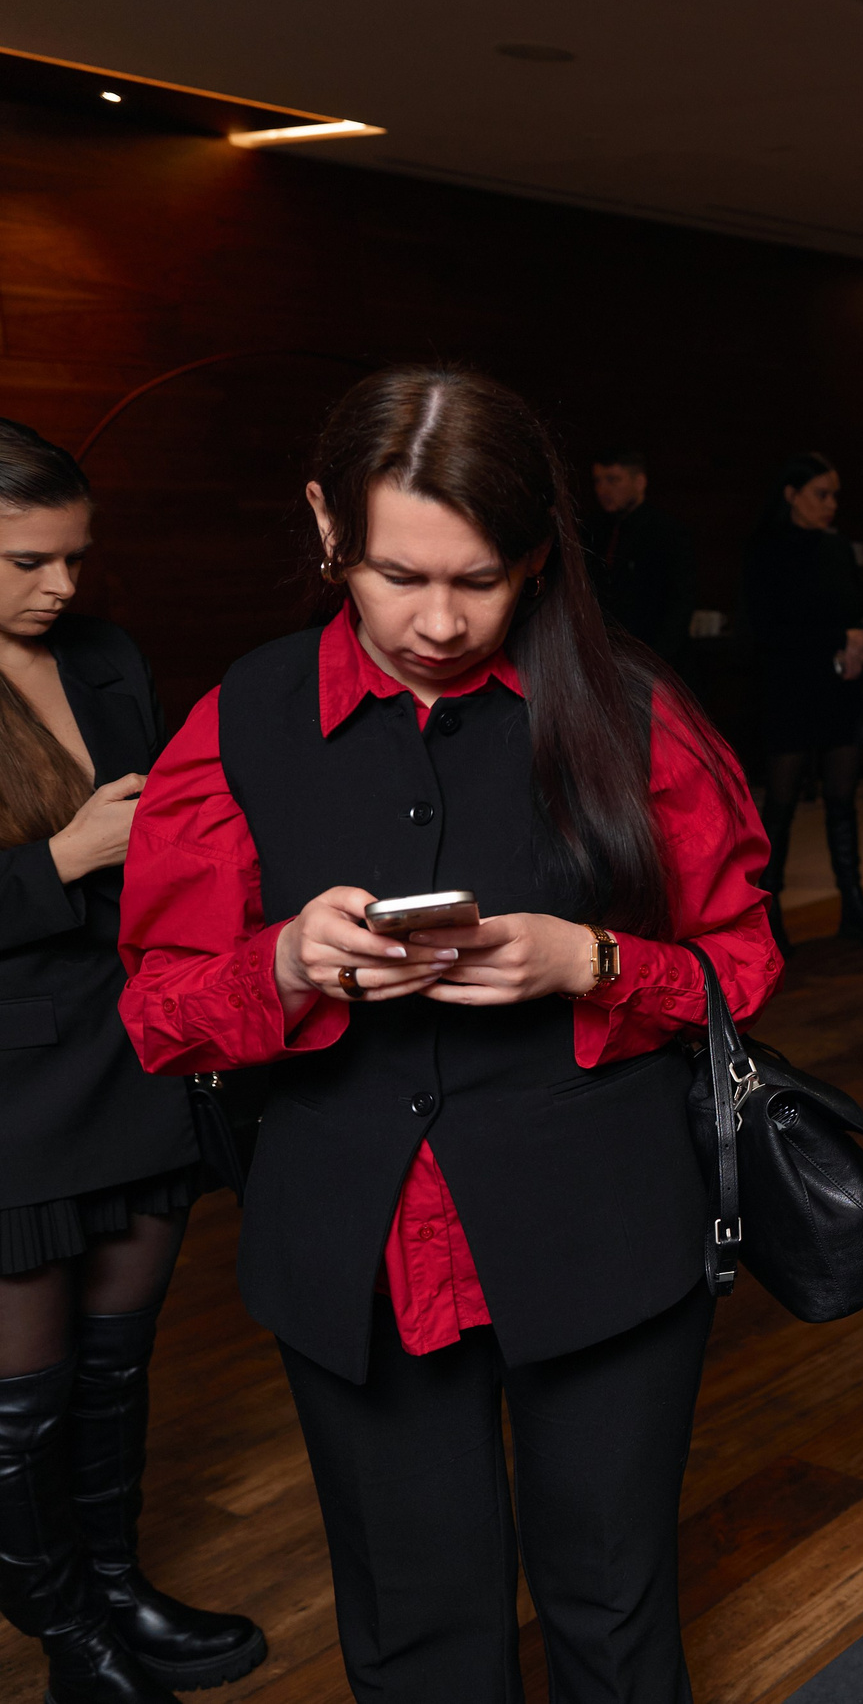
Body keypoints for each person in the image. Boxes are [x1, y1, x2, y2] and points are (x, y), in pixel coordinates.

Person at [118, 367, 781, 1704]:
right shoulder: (238, 720)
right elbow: (159, 1006)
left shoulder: (632, 708)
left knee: (611, 1607)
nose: (434, 620)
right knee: (415, 1629)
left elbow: (746, 964)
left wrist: (587, 958)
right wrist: (286, 960)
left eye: (478, 579)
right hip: (350, 1251)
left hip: (604, 1234)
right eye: (393, 573)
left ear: (537, 555)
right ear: (325, 527)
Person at [0, 421, 267, 1704]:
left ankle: (116, 1591)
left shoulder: (105, 653)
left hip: (137, 1047)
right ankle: (68, 1639)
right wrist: (58, 863)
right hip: (9, 1086)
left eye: (72, 557)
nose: (61, 587)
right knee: (24, 1403)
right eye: (25, 561)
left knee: (117, 1368)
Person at [742, 452, 863, 952]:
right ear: (791, 494)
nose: (831, 505)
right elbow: (766, 629)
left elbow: (852, 609)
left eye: (834, 496)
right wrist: (840, 633)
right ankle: (767, 913)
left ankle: (853, 904)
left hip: (837, 687)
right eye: (820, 494)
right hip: (789, 686)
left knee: (842, 800)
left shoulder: (837, 549)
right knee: (781, 804)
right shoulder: (766, 549)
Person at [586, 448, 696, 667]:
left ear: (639, 482)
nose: (603, 489)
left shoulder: (667, 533)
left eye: (613, 480)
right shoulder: (593, 531)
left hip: (651, 659)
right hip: (605, 656)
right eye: (598, 481)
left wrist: (657, 660)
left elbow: (680, 602)